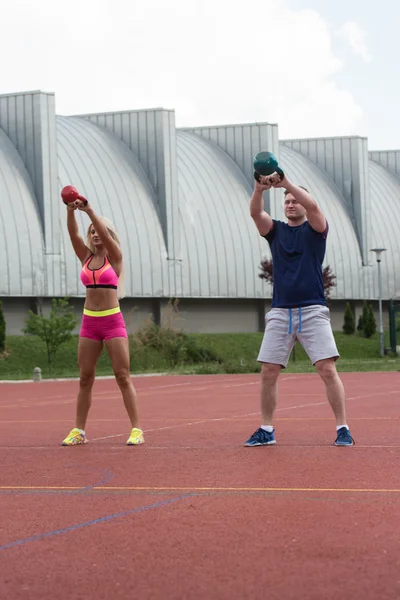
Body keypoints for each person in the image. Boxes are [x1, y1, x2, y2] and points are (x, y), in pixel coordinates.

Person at [244, 170, 354, 447]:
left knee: (327, 368)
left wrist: (286, 182)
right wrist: (259, 189)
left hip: (312, 309)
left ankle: (343, 429)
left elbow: (315, 206)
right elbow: (256, 215)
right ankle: (266, 431)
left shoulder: (316, 229)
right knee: (268, 370)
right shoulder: (276, 231)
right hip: (281, 311)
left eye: (295, 199)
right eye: (287, 200)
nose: (291, 203)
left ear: (303, 203)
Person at [61, 198, 144, 447]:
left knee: (122, 375)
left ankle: (137, 429)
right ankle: (79, 430)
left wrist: (90, 212)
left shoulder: (115, 257)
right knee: (85, 378)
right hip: (89, 323)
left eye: (100, 231)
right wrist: (70, 211)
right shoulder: (85, 257)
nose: (96, 234)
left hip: (112, 322)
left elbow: (107, 240)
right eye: (92, 232)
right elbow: (73, 232)